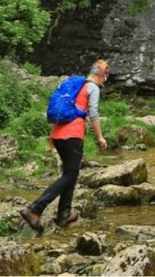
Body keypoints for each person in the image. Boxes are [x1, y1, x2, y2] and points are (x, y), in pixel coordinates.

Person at [21, 59, 110, 234]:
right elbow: (93, 114)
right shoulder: (92, 88)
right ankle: (35, 209)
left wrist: (52, 135)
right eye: (106, 76)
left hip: (59, 135)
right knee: (70, 174)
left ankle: (64, 214)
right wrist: (100, 137)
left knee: (70, 173)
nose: (105, 80)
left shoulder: (76, 86)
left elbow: (64, 109)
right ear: (101, 73)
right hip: (72, 135)